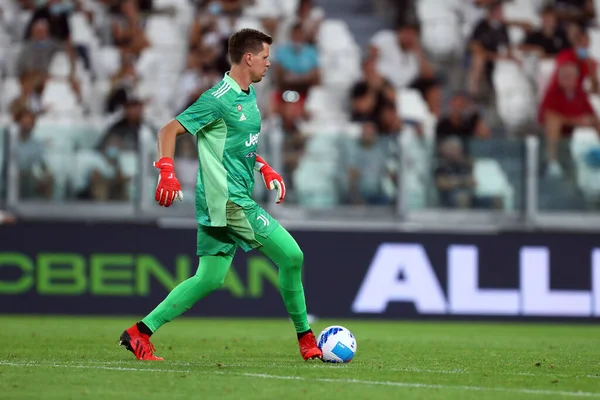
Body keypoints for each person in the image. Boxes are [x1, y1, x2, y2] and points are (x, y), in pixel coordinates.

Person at [118, 28, 323, 362]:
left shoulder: (247, 95)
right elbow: (168, 130)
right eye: (266, 57)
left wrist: (263, 166)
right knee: (292, 256)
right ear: (248, 58)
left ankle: (140, 332)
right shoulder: (218, 98)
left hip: (224, 199)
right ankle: (306, 338)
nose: (269, 64)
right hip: (227, 201)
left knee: (209, 278)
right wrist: (166, 171)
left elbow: (232, 146)